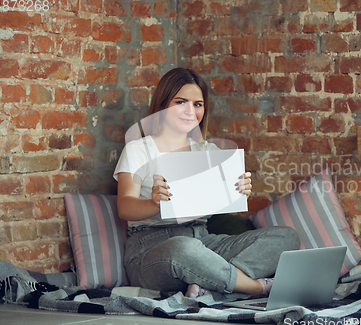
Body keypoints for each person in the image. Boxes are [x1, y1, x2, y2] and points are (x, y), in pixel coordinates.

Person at [114, 67, 300, 298]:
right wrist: (155, 202)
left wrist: (237, 191)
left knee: (286, 237)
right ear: (163, 104)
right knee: (185, 249)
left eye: (198, 104)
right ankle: (254, 287)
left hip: (204, 241)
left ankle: (208, 283)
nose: (190, 111)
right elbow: (124, 207)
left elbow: (212, 202)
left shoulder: (209, 152)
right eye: (181, 102)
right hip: (152, 250)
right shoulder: (139, 149)